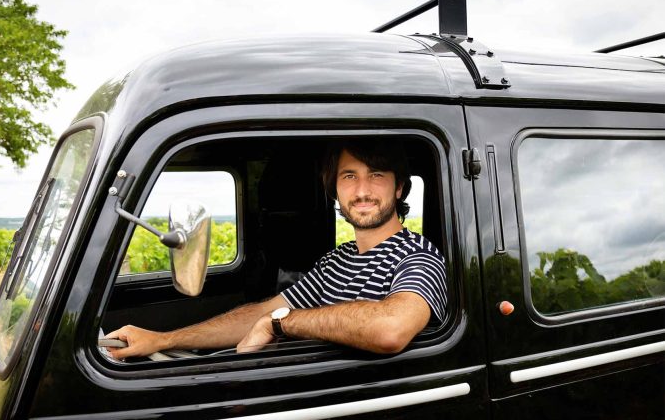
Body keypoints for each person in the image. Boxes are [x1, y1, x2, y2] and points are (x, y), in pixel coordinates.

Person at [106, 141, 447, 359]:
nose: (361, 190)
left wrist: (280, 323)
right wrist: (162, 340)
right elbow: (263, 311)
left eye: (376, 175)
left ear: (399, 187)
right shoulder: (335, 261)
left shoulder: (418, 257)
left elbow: (391, 329)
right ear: (335, 190)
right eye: (348, 176)